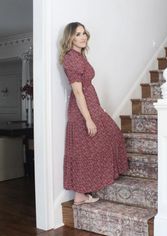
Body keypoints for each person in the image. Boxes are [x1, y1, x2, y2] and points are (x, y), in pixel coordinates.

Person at [59, 22, 128, 205]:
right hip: (82, 111)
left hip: (92, 106)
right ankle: (80, 194)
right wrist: (88, 119)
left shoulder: (80, 56)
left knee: (109, 137)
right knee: (85, 150)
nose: (83, 37)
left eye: (84, 33)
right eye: (78, 34)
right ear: (70, 38)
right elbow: (78, 91)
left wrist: (98, 108)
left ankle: (81, 194)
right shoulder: (71, 58)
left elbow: (87, 88)